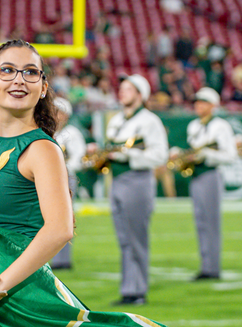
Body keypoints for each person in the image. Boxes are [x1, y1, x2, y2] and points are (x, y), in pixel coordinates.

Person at [0, 39, 166, 326]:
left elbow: (60, 229)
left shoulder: (41, 149)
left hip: (19, 297)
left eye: (30, 72)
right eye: (7, 70)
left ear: (43, 87)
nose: (19, 80)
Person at [105, 75, 168, 305]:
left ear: (140, 95)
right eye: (121, 88)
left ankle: (137, 290)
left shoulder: (150, 121)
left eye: (128, 89)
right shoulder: (117, 120)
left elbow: (160, 155)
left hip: (138, 179)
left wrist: (128, 155)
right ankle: (129, 289)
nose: (122, 92)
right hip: (118, 180)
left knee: (136, 238)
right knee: (124, 238)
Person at [177, 87, 237, 280]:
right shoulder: (194, 125)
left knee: (211, 222)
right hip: (196, 175)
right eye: (196, 102)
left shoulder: (221, 126)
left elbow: (230, 155)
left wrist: (207, 155)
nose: (198, 106)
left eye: (203, 102)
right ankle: (206, 265)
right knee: (201, 222)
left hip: (211, 174)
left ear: (213, 105)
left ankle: (212, 268)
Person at [50, 97, 86, 270]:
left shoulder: (72, 133)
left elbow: (79, 158)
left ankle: (63, 259)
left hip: (66, 177)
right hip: (46, 178)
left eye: (59, 111)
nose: (56, 114)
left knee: (64, 217)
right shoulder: (45, 131)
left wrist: (61, 168)